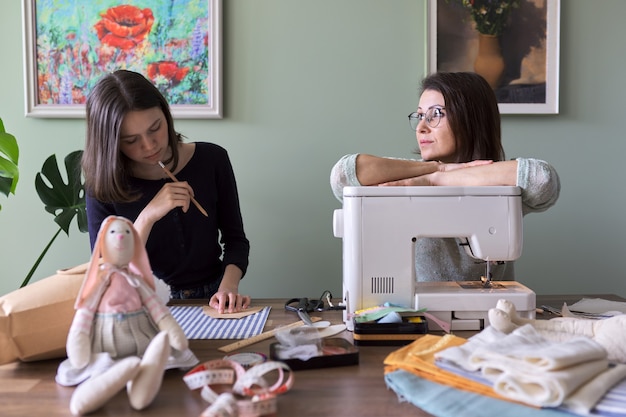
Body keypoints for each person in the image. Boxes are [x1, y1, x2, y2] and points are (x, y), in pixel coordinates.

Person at [330, 71, 560, 282]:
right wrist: (437, 170)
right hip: (413, 316)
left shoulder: (500, 183)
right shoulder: (408, 177)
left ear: (470, 119)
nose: (421, 126)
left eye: (436, 114)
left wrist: (436, 180)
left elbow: (542, 179)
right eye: (420, 115)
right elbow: (343, 175)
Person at [82, 69, 250, 313]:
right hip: (141, 304)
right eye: (131, 140)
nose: (149, 145)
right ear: (111, 142)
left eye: (155, 128)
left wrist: (228, 288)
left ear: (166, 114)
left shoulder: (212, 159)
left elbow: (236, 241)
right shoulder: (102, 186)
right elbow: (106, 270)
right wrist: (148, 215)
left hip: (214, 298)